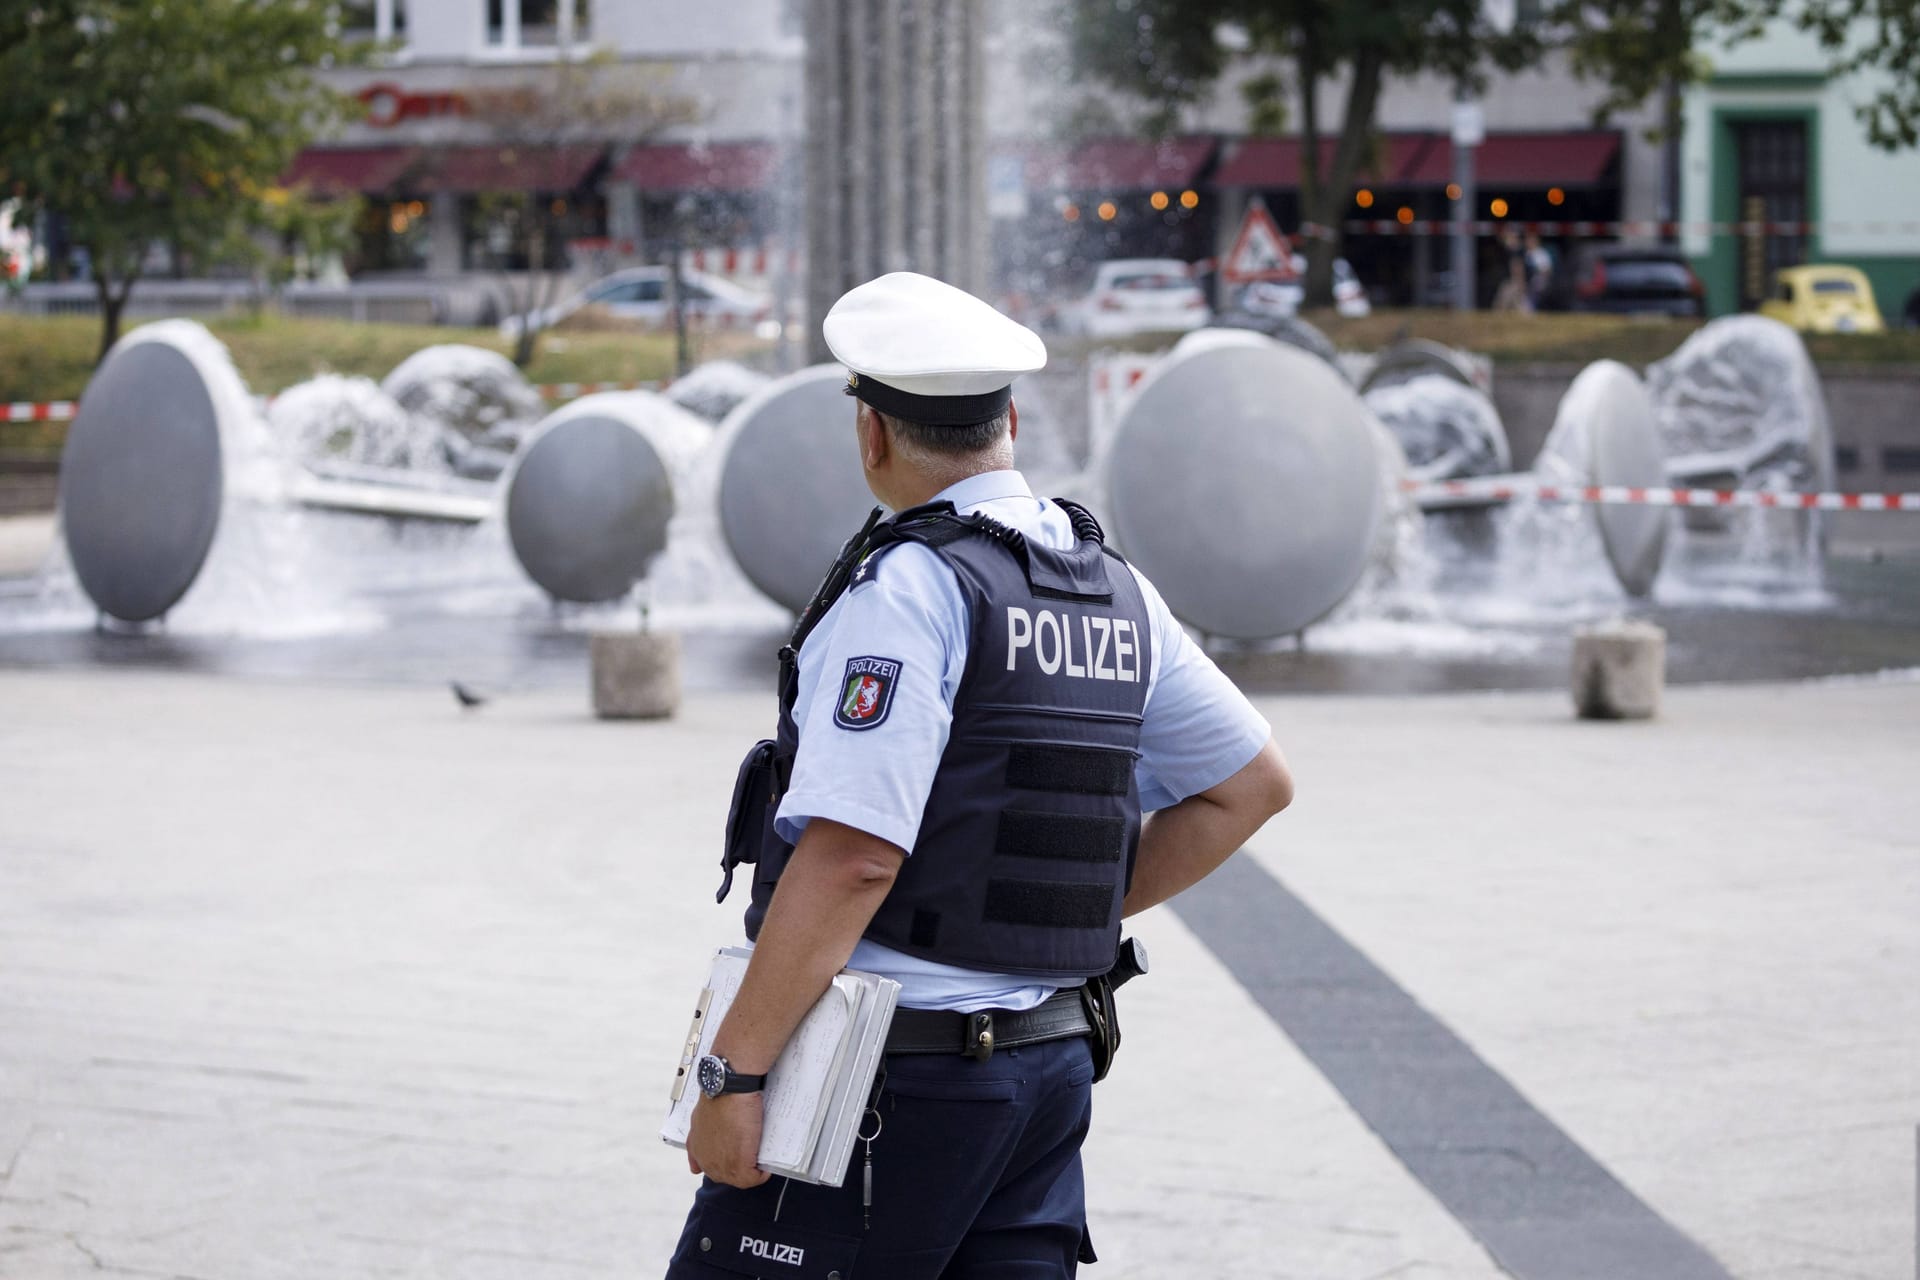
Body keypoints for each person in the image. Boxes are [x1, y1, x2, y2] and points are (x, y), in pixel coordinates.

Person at [667, 271, 1293, 1278]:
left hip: (885, 1080)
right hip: (1047, 1067)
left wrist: (731, 1071)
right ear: (1009, 419)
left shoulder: (911, 585)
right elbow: (1250, 784)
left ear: (871, 431)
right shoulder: (1113, 587)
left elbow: (855, 856)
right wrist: (1054, 903)